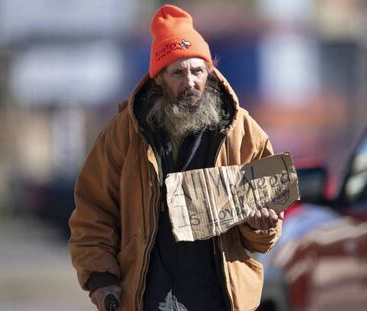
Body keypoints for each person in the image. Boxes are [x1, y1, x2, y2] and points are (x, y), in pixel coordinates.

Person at [69, 4, 283, 311]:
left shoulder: (242, 131)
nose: (190, 82)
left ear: (208, 72)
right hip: (149, 296)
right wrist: (101, 280)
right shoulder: (123, 134)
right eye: (178, 73)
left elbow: (263, 236)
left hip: (219, 297)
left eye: (197, 71)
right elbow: (93, 211)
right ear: (159, 78)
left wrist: (262, 225)